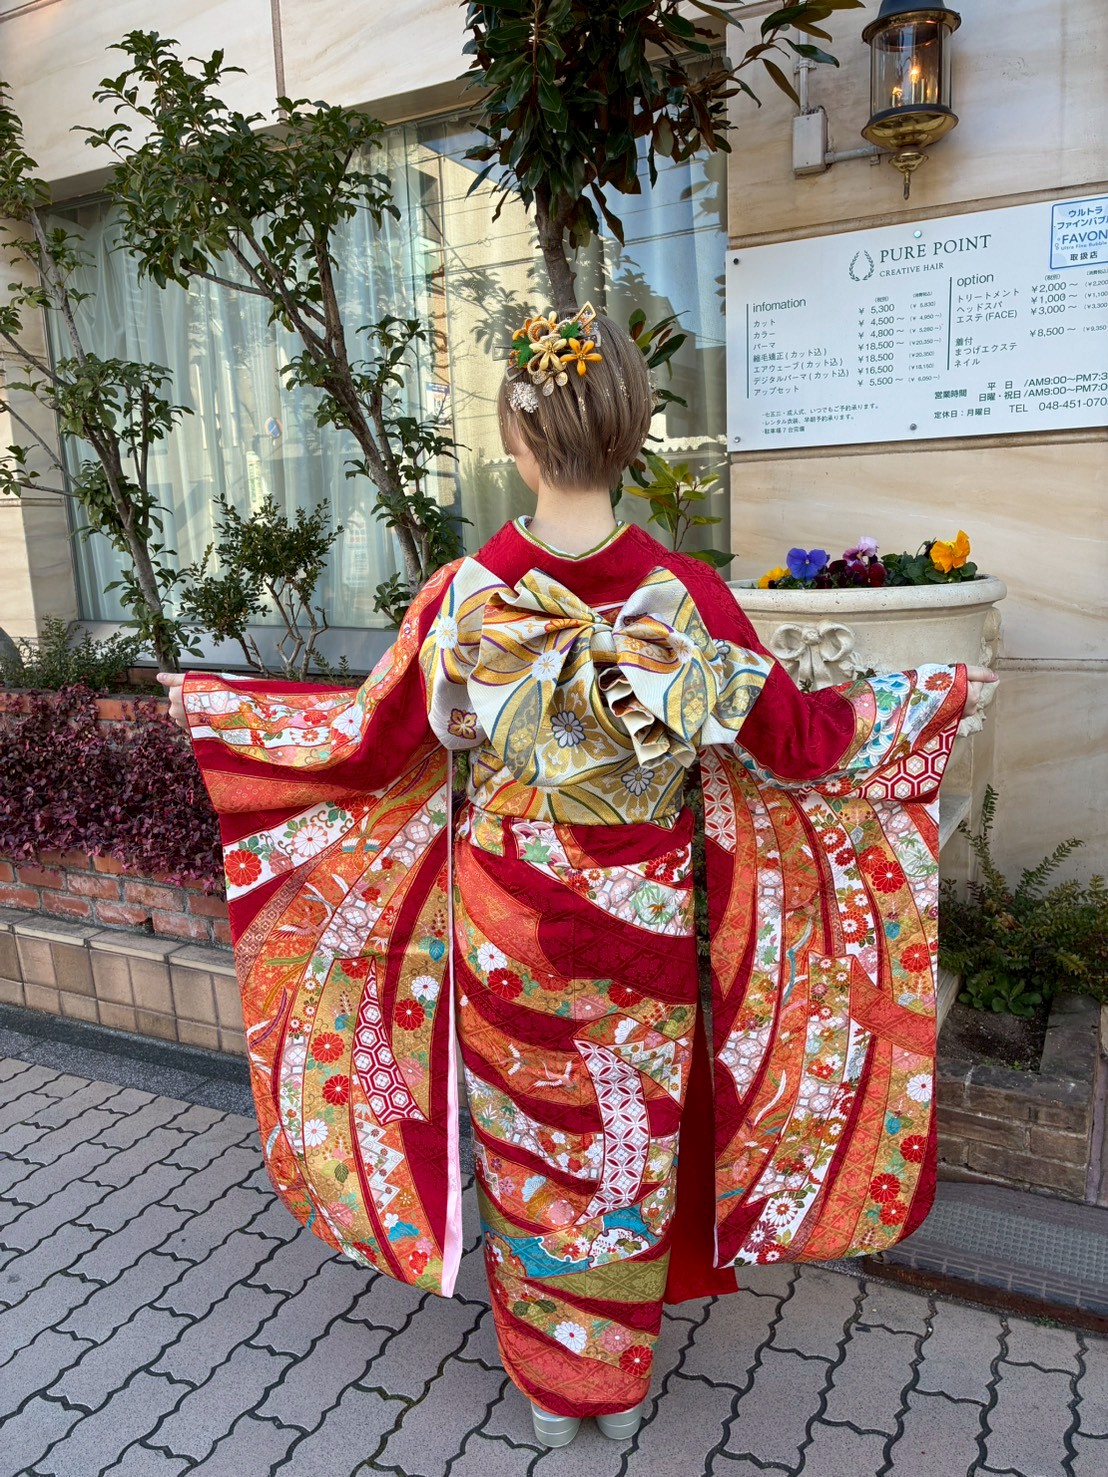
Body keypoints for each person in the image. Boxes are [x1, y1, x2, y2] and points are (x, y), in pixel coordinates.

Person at [160, 303, 996, 1449]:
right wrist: (934, 698)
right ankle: (614, 1375)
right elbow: (802, 743)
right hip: (634, 922)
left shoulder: (464, 595)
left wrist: (216, 710)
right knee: (622, 1142)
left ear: (516, 436)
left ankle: (550, 1389)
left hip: (505, 919)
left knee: (531, 1146)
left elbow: (361, 742)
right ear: (632, 434)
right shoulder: (685, 598)